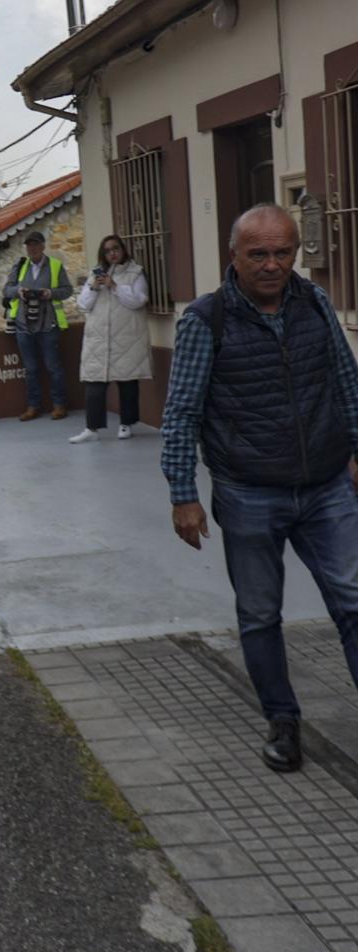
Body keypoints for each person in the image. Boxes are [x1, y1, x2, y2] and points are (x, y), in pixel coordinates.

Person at [162, 203, 358, 772]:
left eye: (283, 252)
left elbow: (346, 379)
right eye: (259, 254)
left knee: (352, 602)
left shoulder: (314, 302)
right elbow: (180, 413)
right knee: (259, 614)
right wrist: (183, 494)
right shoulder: (206, 320)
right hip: (249, 494)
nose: (273, 265)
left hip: (326, 488)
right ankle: (283, 721)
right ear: (234, 257)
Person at [69, 233, 153, 442]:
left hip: (126, 338)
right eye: (107, 251)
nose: (112, 253)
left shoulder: (136, 273)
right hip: (98, 338)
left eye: (115, 248)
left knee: (127, 383)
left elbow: (138, 301)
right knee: (94, 385)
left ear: (123, 250)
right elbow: (82, 305)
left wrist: (114, 285)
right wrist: (94, 287)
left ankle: (126, 424)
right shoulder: (95, 275)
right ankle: (91, 429)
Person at [2, 229, 73, 421]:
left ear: (43, 246)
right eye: (29, 245)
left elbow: (68, 291)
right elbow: (6, 290)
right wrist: (19, 291)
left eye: (35, 244)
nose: (32, 248)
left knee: (53, 366)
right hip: (24, 325)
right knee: (30, 368)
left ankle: (59, 405)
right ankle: (33, 406)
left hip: (48, 324)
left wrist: (49, 293)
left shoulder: (55, 266)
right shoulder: (20, 265)